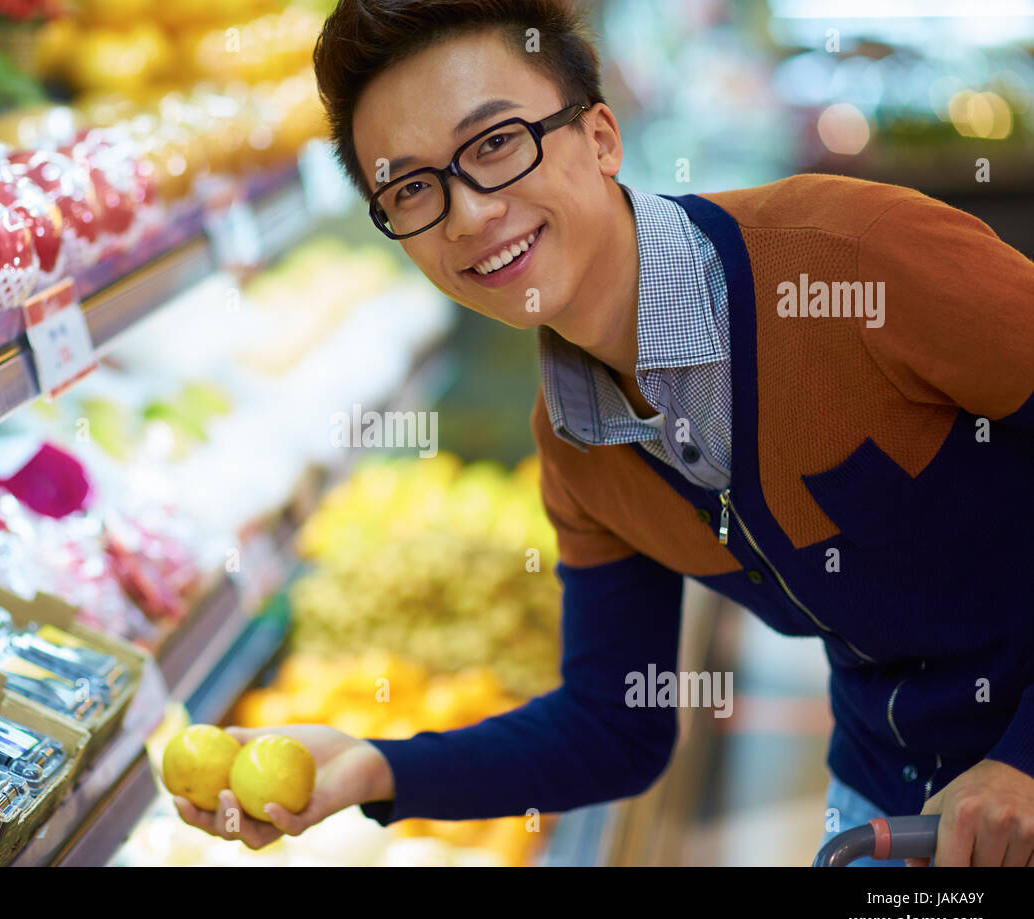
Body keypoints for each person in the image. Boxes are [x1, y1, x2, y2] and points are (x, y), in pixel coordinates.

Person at [174, 0, 1034, 866]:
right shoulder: (576, 441)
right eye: (411, 188)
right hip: (893, 797)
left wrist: (1021, 761)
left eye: (496, 143)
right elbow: (615, 724)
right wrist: (375, 769)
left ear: (601, 138)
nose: (468, 215)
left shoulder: (859, 256)